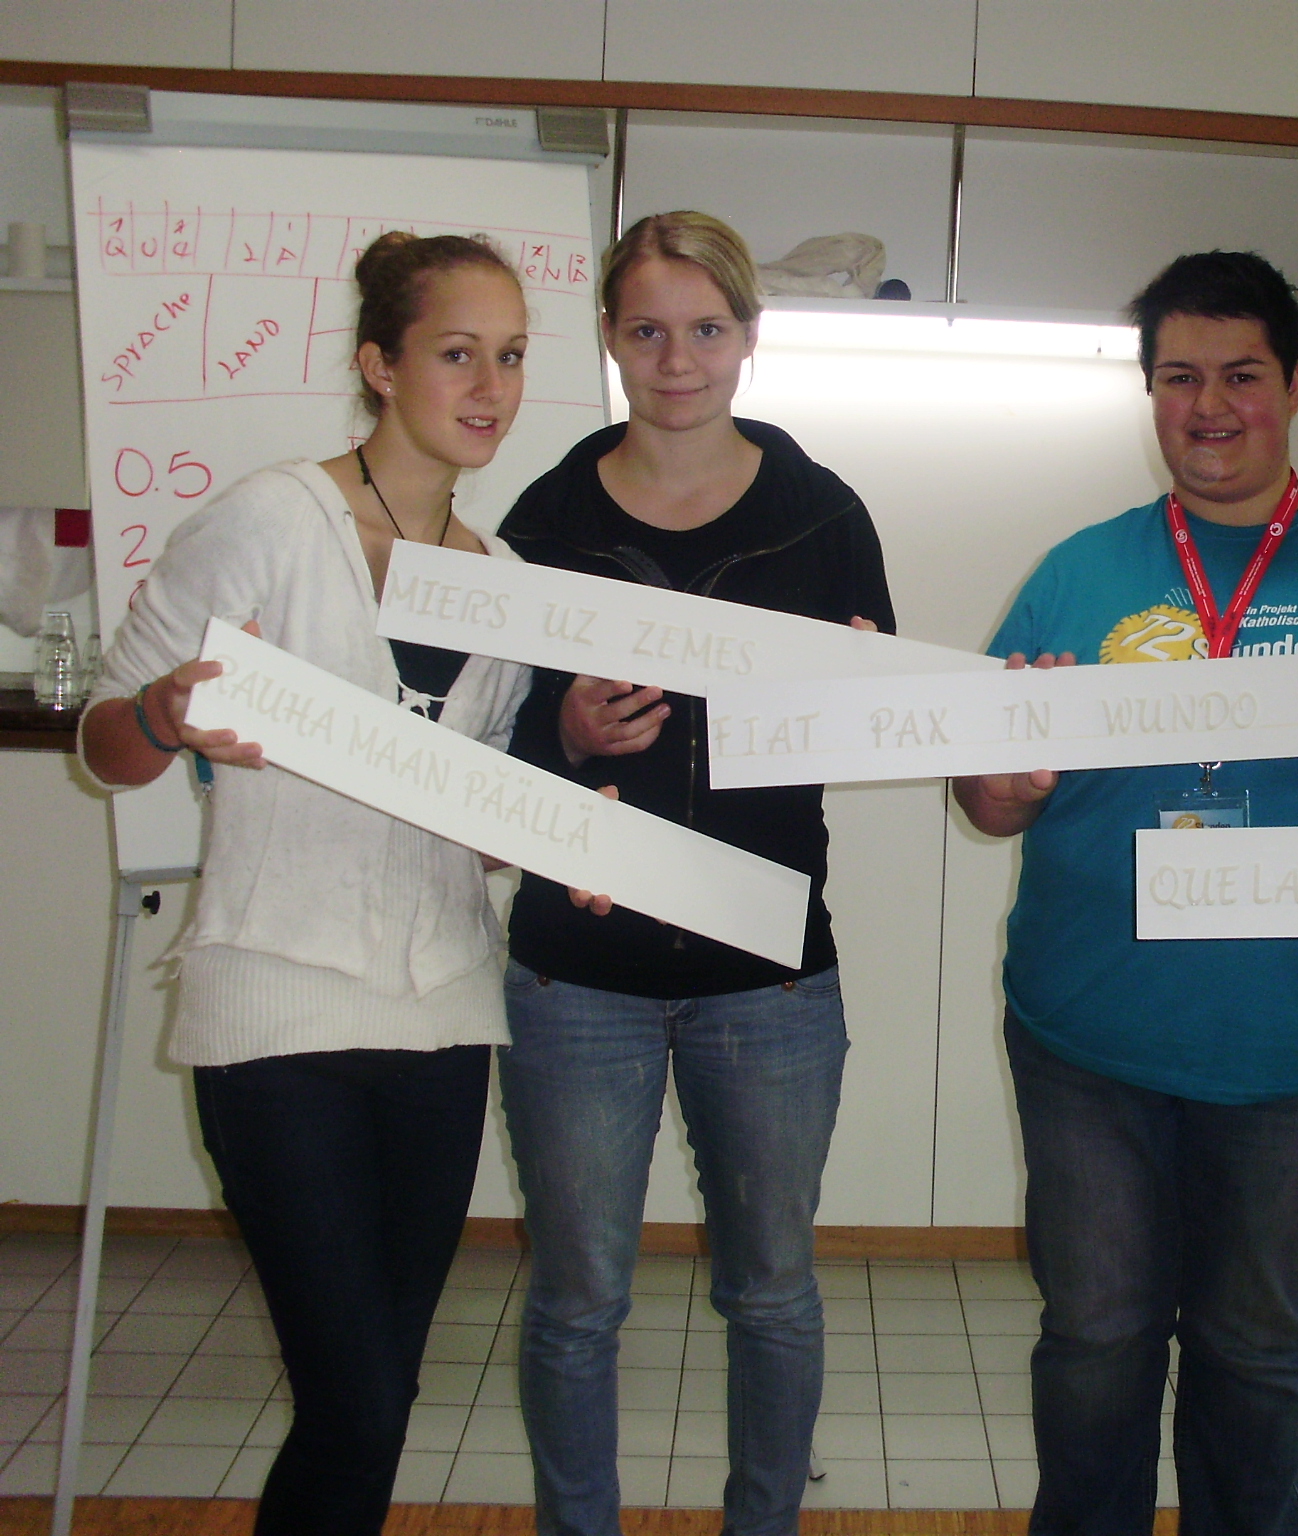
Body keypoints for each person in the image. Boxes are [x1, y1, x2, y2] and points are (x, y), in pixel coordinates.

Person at [952, 250, 1298, 1535]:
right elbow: (983, 797)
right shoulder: (1077, 571)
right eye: (1178, 377)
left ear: (1293, 387)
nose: (1208, 407)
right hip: (1089, 1037)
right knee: (1094, 1338)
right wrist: (1005, 784)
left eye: (1240, 375)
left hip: (1295, 1044)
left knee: (1253, 1347)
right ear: (1148, 393)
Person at [78, 231, 532, 1534]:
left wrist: (559, 825)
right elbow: (105, 744)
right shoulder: (271, 519)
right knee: (356, 1399)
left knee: (376, 1397)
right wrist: (164, 713)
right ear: (380, 365)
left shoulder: (505, 584)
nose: (490, 388)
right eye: (458, 354)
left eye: (510, 357)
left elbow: (474, 827)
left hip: (444, 1019)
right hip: (276, 1018)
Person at [492, 211, 894, 1536]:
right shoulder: (540, 519)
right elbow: (484, 748)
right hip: (578, 971)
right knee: (576, 1299)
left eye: (706, 329)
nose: (677, 361)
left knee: (771, 1291)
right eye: (647, 331)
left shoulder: (823, 515)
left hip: (765, 972)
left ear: (749, 337)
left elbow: (876, 724)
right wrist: (565, 734)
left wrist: (854, 698)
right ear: (609, 340)